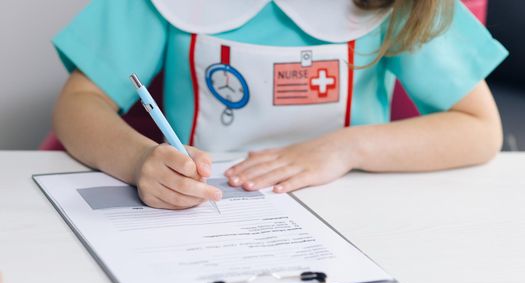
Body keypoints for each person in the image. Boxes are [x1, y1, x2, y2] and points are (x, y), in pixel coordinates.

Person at [52, 0, 508, 210]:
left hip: (364, 225)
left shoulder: (399, 4)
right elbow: (79, 104)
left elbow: (479, 128)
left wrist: (346, 148)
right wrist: (139, 161)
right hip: (202, 219)